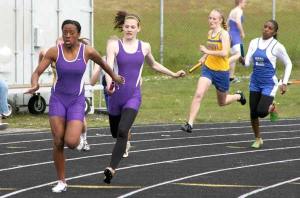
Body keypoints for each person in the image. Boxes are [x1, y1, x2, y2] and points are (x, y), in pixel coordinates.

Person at [26, 19, 124, 193]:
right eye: (65, 32)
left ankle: (78, 139)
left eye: (71, 32)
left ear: (78, 34)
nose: (68, 35)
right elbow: (37, 72)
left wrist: (114, 77)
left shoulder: (87, 51)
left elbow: (103, 63)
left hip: (76, 101)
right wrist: (35, 84)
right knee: (57, 141)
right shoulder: (55, 51)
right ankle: (62, 181)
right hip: (58, 99)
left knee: (71, 142)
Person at [92, 11, 185, 184]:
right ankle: (122, 145)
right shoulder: (114, 45)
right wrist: (109, 84)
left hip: (133, 96)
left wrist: (173, 74)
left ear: (138, 29)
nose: (129, 29)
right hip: (115, 97)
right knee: (115, 132)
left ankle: (111, 169)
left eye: (132, 27)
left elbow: (154, 64)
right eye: (126, 26)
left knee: (122, 131)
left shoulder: (145, 46)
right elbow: (109, 67)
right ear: (123, 28)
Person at [181, 9, 246, 133]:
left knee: (222, 102)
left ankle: (238, 96)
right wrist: (204, 57)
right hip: (208, 69)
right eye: (210, 18)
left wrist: (206, 51)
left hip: (222, 72)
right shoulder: (210, 33)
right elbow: (211, 49)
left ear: (220, 20)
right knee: (199, 94)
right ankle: (189, 123)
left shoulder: (224, 34)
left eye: (214, 18)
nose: (211, 21)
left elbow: (224, 53)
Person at [243, 19, 292, 149]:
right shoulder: (254, 42)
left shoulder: (277, 46)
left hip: (269, 84)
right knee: (253, 113)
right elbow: (248, 63)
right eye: (265, 26)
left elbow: (288, 63)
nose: (266, 29)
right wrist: (241, 59)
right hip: (255, 83)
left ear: (275, 32)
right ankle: (258, 138)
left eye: (270, 28)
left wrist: (285, 82)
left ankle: (271, 107)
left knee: (261, 112)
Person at [39, 37, 91, 151]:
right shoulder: (52, 54)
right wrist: (40, 67)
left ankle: (84, 138)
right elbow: (42, 53)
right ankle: (66, 138)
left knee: (80, 117)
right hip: (59, 91)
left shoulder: (74, 54)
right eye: (58, 45)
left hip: (75, 91)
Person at [228, 0, 247, 83]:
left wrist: (227, 35)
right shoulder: (239, 10)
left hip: (230, 35)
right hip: (235, 36)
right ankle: (223, 65)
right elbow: (238, 22)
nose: (245, 4)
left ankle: (231, 77)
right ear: (240, 2)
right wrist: (242, 32)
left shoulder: (232, 10)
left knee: (234, 56)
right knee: (240, 55)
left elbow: (227, 23)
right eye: (245, 2)